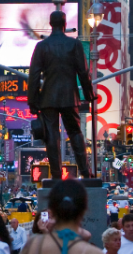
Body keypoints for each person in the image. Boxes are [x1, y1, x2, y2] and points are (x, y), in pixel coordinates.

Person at [26, 10, 94, 176]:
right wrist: (89, 94)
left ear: (50, 24)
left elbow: (34, 75)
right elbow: (83, 72)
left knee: (51, 136)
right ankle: (85, 172)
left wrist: (33, 101)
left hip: (48, 97)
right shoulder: (74, 44)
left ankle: (56, 175)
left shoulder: (42, 46)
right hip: (70, 96)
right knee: (75, 133)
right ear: (65, 24)